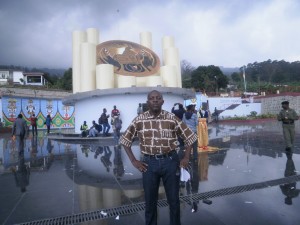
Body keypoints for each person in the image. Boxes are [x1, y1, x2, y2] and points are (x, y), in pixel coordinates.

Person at [120, 90, 197, 225]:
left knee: (174, 201)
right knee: (150, 203)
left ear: (162, 101)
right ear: (147, 102)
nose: (155, 100)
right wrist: (133, 160)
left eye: (158, 98)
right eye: (152, 98)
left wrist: (186, 157)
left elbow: (189, 137)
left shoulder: (171, 118)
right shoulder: (139, 120)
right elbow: (125, 140)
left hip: (170, 162)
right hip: (149, 164)